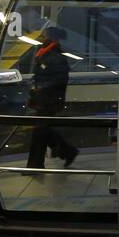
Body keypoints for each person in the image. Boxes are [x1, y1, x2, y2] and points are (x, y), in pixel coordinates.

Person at [26, 26, 78, 169]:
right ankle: (68, 151)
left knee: (40, 131)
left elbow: (58, 79)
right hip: (43, 99)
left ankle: (35, 165)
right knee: (43, 130)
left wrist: (40, 88)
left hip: (49, 100)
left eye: (44, 35)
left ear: (52, 38)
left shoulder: (54, 56)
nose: (41, 37)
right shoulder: (45, 53)